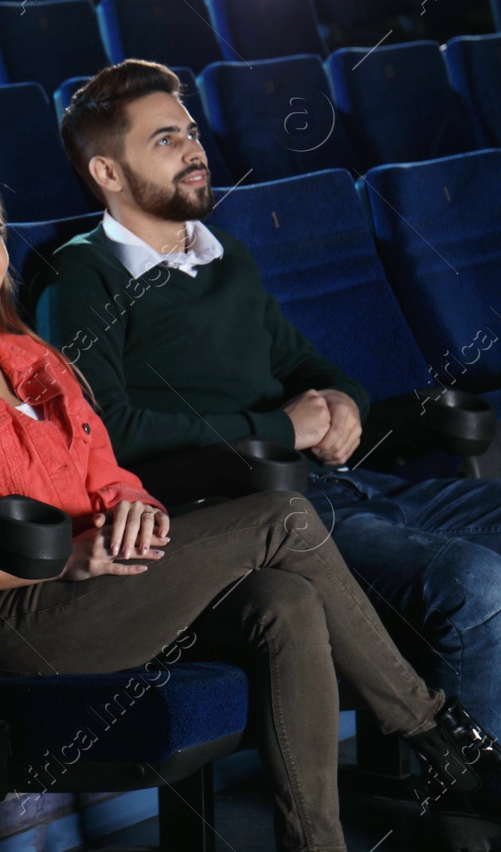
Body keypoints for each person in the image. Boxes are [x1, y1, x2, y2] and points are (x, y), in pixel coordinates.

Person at [0, 153, 501, 852]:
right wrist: (65, 561)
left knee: (284, 601)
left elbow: (105, 465)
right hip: (25, 619)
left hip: (117, 580)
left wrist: (131, 504)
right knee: (284, 517)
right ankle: (440, 738)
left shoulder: (27, 355)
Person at [31, 58, 501, 749]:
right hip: (249, 512)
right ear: (106, 172)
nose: (194, 149)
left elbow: (308, 363)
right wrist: (279, 427)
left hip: (344, 483)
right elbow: (105, 434)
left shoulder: (224, 258)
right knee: (475, 580)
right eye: (165, 139)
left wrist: (343, 401)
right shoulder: (79, 275)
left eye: (191, 131)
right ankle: (469, 799)